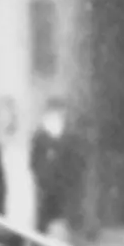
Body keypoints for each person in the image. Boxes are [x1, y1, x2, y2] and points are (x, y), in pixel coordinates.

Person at [30, 99, 84, 237]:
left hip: (66, 187)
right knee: (44, 219)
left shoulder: (71, 137)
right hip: (47, 187)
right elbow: (35, 163)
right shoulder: (40, 138)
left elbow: (76, 162)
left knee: (69, 217)